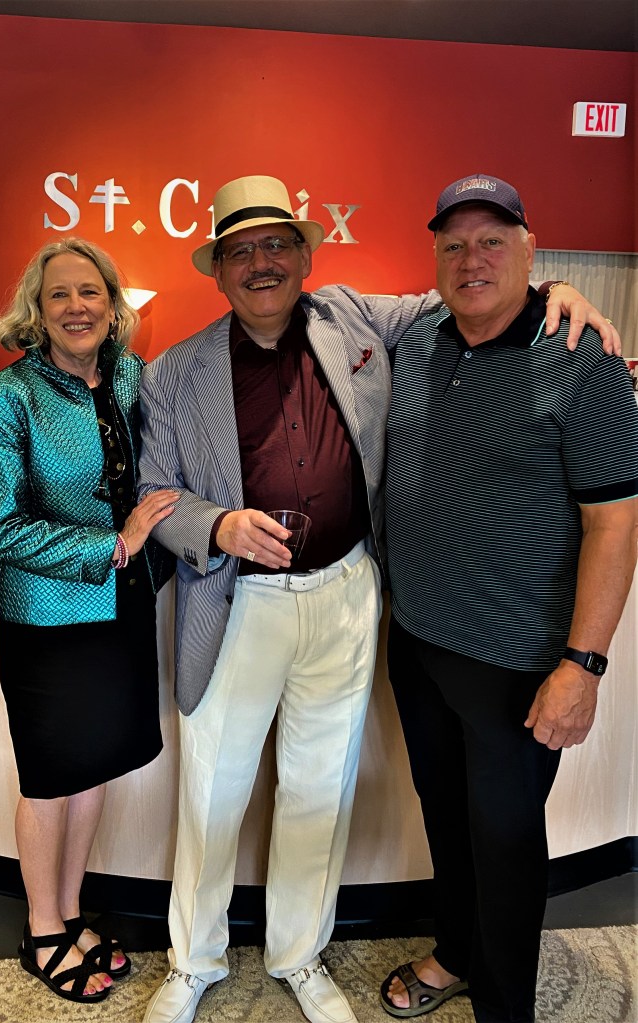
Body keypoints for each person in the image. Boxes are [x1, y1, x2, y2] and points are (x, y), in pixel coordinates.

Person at [136, 174, 617, 1023]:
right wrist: (216, 526)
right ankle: (193, 959)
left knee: (319, 786)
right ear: (218, 268)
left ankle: (299, 953)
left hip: (346, 594)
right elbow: (156, 494)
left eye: (277, 244)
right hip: (237, 598)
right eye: (241, 250)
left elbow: (475, 292)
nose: (261, 263)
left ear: (305, 256)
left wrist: (557, 292)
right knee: (213, 788)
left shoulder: (358, 318)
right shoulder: (175, 371)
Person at [380, 175, 638, 1022]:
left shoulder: (584, 361)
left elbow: (615, 523)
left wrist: (583, 666)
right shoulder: (419, 341)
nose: (472, 259)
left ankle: (503, 1006)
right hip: (418, 640)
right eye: (454, 244)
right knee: (447, 818)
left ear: (531, 250)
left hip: (517, 660)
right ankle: (457, 952)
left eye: (493, 240)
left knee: (506, 838)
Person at [0, 238, 177, 1004]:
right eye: (60, 294)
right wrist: (114, 545)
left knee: (94, 766)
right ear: (37, 308)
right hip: (48, 619)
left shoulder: (134, 377)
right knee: (51, 777)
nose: (77, 306)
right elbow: (2, 528)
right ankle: (42, 928)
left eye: (91, 292)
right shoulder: (5, 397)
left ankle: (69, 909)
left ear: (113, 305)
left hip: (123, 609)